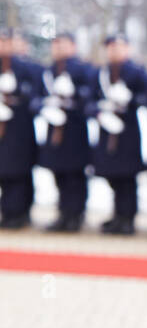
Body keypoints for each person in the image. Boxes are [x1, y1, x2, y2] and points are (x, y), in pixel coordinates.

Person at [89, 34, 147, 235]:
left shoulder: (136, 72)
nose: (114, 51)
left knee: (127, 178)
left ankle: (128, 217)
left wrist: (130, 100)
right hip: (107, 130)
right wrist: (99, 111)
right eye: (111, 47)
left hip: (128, 132)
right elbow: (88, 100)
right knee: (112, 176)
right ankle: (117, 215)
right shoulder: (101, 73)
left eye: (119, 47)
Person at [35, 33, 95, 233]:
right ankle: (63, 213)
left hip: (74, 129)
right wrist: (45, 104)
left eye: (62, 45)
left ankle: (76, 214)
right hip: (54, 129)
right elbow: (36, 97)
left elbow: (90, 95)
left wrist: (75, 95)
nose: (58, 49)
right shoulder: (49, 71)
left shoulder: (82, 69)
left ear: (73, 46)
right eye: (55, 45)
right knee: (58, 173)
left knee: (75, 175)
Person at [0, 29, 40, 229]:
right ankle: (6, 211)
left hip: (19, 127)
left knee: (18, 171)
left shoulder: (26, 68)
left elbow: (37, 93)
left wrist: (18, 94)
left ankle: (19, 212)